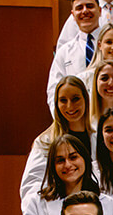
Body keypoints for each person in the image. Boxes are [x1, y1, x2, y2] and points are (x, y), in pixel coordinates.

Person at [21, 134, 107, 215]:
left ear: (85, 159)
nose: (67, 165)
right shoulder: (38, 203)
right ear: (53, 166)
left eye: (73, 157)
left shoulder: (107, 202)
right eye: (60, 160)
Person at [20, 76, 92, 208]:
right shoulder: (45, 141)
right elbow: (31, 185)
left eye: (75, 99)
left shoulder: (98, 136)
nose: (70, 106)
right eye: (63, 100)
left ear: (86, 100)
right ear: (56, 104)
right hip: (57, 212)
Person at [48, 0, 103, 108]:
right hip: (76, 119)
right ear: (73, 15)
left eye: (89, 6)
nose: (85, 11)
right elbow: (54, 91)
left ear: (100, 11)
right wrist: (64, 120)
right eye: (79, 8)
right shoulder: (64, 52)